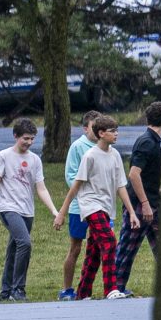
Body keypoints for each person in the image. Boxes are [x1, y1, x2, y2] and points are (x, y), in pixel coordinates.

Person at [53, 114, 139, 299]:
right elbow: (76, 185)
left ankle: (83, 292)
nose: (116, 134)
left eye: (117, 130)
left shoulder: (115, 155)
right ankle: (111, 289)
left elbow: (120, 186)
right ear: (101, 133)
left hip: (106, 207)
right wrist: (62, 212)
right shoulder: (89, 156)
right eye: (112, 131)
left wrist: (131, 212)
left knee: (94, 251)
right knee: (109, 241)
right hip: (91, 206)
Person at [0, 118, 58, 302]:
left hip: (27, 211)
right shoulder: (4, 156)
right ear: (15, 136)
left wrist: (54, 211)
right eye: (25, 138)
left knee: (14, 249)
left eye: (32, 139)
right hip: (8, 209)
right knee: (25, 243)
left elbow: (41, 188)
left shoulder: (35, 159)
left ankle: (5, 292)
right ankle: (18, 289)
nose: (29, 142)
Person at [114, 101, 161, 294]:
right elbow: (134, 174)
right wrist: (145, 204)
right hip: (141, 205)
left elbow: (146, 176)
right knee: (127, 247)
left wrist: (157, 190)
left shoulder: (152, 141)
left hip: (154, 202)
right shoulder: (147, 142)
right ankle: (115, 289)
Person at [57, 111, 100, 300]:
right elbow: (71, 177)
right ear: (85, 128)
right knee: (76, 248)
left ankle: (91, 286)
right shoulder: (78, 147)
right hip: (79, 207)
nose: (99, 131)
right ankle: (67, 289)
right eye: (94, 127)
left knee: (102, 245)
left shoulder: (104, 146)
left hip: (100, 207)